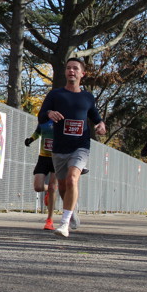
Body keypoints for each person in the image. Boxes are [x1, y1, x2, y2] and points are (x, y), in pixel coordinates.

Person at [37, 58, 107, 238]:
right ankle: (72, 211)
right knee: (62, 185)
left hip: (80, 146)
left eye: (75, 68)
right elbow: (41, 116)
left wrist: (101, 125)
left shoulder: (87, 97)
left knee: (72, 179)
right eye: (68, 68)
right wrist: (49, 113)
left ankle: (64, 223)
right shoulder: (55, 95)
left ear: (82, 73)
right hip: (59, 147)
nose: (71, 71)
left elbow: (95, 116)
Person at [25, 120, 58, 230]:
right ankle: (49, 189)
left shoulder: (63, 117)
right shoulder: (44, 118)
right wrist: (31, 139)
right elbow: (38, 132)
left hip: (58, 157)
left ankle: (50, 220)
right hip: (43, 157)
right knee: (38, 187)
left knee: (53, 187)